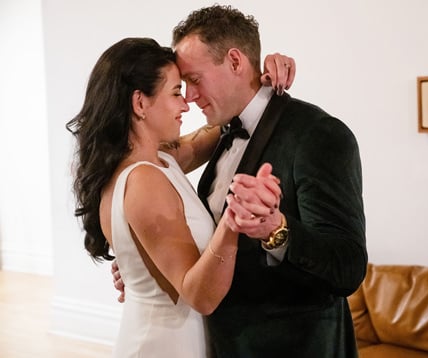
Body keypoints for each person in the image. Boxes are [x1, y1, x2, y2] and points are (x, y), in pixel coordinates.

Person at [114, 5, 367, 357]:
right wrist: (146, 260)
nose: (189, 96)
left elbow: (348, 267)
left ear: (235, 62)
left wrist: (277, 229)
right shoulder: (219, 133)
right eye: (181, 87)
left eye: (195, 80)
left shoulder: (318, 135)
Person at [68, 38, 291, 358]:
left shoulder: (161, 159)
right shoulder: (144, 180)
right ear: (140, 104)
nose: (186, 103)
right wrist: (233, 220)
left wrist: (257, 86)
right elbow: (200, 296)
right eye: (175, 92)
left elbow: (223, 126)